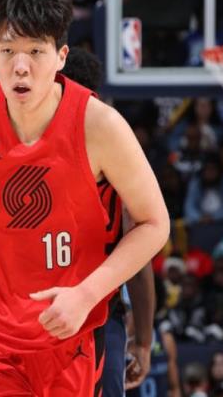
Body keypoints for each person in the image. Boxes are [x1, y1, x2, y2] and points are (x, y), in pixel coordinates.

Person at [0, 0, 169, 395]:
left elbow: (154, 223)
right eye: (8, 50)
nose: (21, 66)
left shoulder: (100, 126)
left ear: (61, 56)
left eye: (35, 51)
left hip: (70, 336)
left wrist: (87, 294)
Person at [61, 46, 156, 395]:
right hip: (93, 311)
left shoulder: (26, 143)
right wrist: (143, 341)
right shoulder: (113, 140)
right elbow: (138, 257)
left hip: (49, 311)